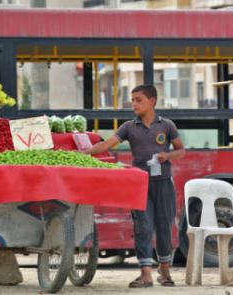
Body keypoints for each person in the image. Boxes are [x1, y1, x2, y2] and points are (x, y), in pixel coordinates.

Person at [83, 84, 185, 288]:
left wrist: (167, 155)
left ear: (152, 101)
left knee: (164, 226)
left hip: (164, 182)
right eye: (133, 100)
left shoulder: (166, 125)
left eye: (138, 100)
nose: (134, 104)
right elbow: (106, 144)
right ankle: (145, 274)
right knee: (143, 227)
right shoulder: (128, 127)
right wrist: (82, 153)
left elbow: (181, 151)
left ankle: (164, 270)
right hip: (139, 183)